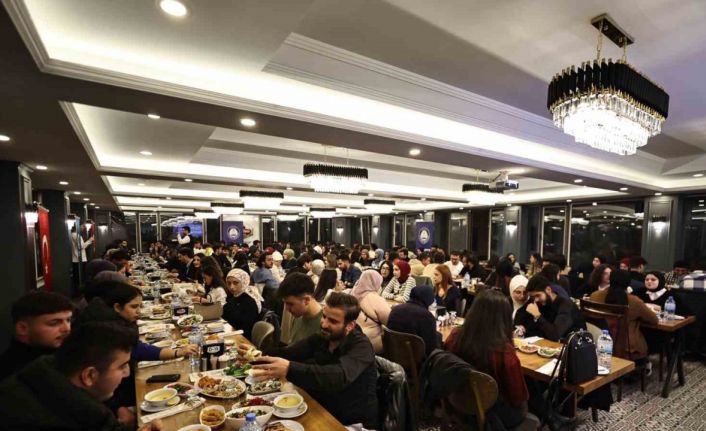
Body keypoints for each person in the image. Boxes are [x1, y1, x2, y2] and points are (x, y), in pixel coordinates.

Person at [0, 322, 164, 431]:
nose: (127, 373)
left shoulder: (45, 378)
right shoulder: (35, 419)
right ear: (89, 376)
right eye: (122, 366)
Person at [247, 293, 378, 429]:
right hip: (323, 409)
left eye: (333, 321)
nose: (324, 324)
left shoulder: (361, 346)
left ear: (350, 325)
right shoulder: (323, 337)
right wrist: (255, 356)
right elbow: (289, 353)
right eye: (324, 316)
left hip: (352, 422)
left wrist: (289, 368)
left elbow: (338, 376)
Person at [445, 289, 529, 429]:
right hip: (490, 411)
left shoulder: (456, 336)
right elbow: (517, 396)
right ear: (504, 318)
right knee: (527, 398)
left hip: (457, 401)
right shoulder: (503, 352)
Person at [0, 291, 73, 380]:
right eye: (54, 323)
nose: (67, 328)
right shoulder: (14, 374)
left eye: (68, 320)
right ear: (22, 328)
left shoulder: (63, 354)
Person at [589, 270, 658, 361]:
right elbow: (654, 320)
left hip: (597, 342)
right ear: (629, 283)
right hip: (627, 348)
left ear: (610, 280)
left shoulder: (595, 295)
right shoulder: (634, 301)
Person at [514, 275, 586, 341]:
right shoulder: (540, 302)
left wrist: (537, 316)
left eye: (538, 295)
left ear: (548, 290)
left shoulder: (566, 305)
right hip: (548, 344)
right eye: (533, 297)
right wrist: (522, 328)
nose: (536, 300)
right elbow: (522, 318)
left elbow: (555, 335)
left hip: (573, 345)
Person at [387, 285, 440, 356]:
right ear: (428, 298)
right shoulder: (427, 316)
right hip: (416, 357)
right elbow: (431, 347)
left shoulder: (395, 310)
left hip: (393, 353)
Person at [350, 270, 391, 353]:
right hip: (370, 342)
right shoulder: (375, 299)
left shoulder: (351, 294)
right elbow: (389, 321)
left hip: (351, 339)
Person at [278, 273, 323, 344]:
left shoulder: (324, 325)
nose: (287, 309)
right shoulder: (299, 315)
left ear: (306, 300)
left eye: (290, 304)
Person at [223, 269, 261, 339]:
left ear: (243, 282)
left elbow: (246, 329)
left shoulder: (249, 302)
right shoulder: (233, 297)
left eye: (235, 283)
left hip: (243, 338)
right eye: (229, 283)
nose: (231, 287)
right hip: (231, 334)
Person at [71, 226, 94, 297]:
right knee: (81, 277)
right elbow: (81, 246)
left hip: (75, 259)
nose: (84, 227)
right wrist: (90, 240)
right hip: (80, 259)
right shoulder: (77, 235)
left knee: (76, 277)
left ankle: (77, 292)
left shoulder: (70, 234)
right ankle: (80, 293)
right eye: (82, 226)